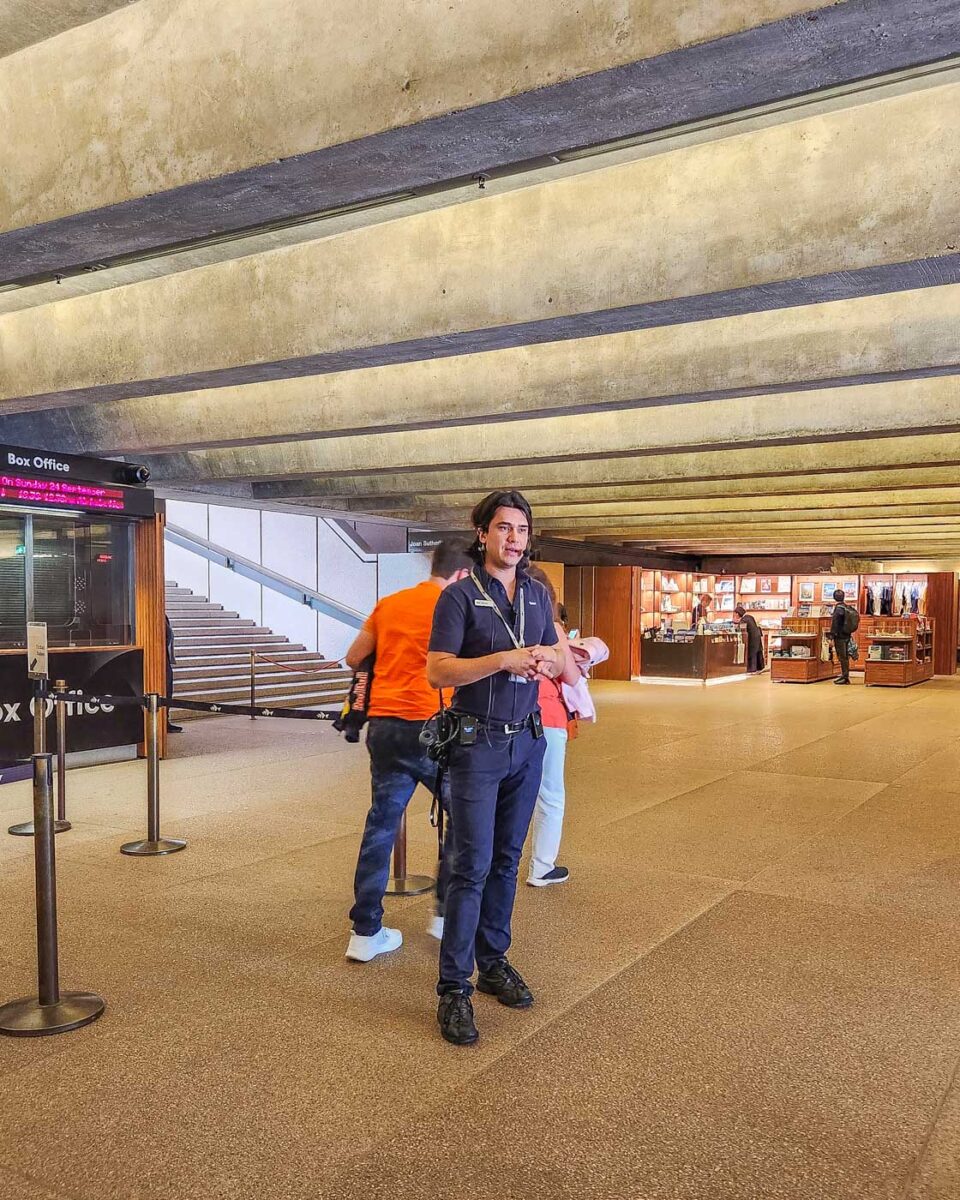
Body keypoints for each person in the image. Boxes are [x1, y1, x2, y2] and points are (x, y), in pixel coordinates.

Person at [427, 489, 565, 1045]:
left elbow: (560, 657)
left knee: (507, 862)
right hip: (476, 745)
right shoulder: (459, 597)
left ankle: (493, 962)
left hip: (527, 742)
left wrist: (549, 658)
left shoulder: (536, 594)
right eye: (504, 528)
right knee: (471, 866)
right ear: (482, 533)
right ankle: (453, 988)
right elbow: (438, 671)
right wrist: (502, 659)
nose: (514, 538)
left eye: (522, 529)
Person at [344, 540, 473, 963]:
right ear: (462, 574)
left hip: (385, 727)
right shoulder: (458, 605)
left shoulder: (391, 603)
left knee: (381, 824)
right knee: (462, 821)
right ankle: (445, 915)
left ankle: (365, 931)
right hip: (438, 727)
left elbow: (354, 656)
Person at [524, 565, 580, 888]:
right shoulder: (551, 626)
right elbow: (570, 675)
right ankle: (542, 866)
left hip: (507, 715)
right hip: (547, 715)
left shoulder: (504, 621)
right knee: (550, 794)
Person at [829, 588, 855, 685]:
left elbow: (835, 623)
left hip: (839, 636)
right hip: (847, 635)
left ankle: (845, 677)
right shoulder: (846, 607)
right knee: (845, 656)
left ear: (834, 597)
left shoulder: (838, 609)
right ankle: (845, 675)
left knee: (842, 656)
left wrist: (832, 635)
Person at [734, 604, 765, 673]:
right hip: (757, 637)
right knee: (757, 652)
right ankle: (759, 668)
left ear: (737, 613)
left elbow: (740, 628)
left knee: (751, 652)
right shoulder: (750, 617)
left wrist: (737, 623)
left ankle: (752, 669)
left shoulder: (744, 619)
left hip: (752, 638)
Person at [164, 615, 182, 733]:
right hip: (159, 659)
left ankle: (165, 720)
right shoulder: (156, 616)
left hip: (165, 658)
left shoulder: (163, 616)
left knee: (168, 691)